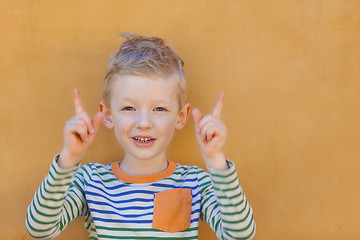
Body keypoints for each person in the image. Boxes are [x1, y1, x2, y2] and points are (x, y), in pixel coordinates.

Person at [26, 33, 256, 239]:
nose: (144, 123)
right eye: (128, 108)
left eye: (159, 109)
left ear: (180, 116)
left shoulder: (196, 183)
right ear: (107, 115)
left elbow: (240, 235)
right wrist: (68, 159)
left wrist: (216, 161)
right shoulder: (91, 180)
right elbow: (40, 229)